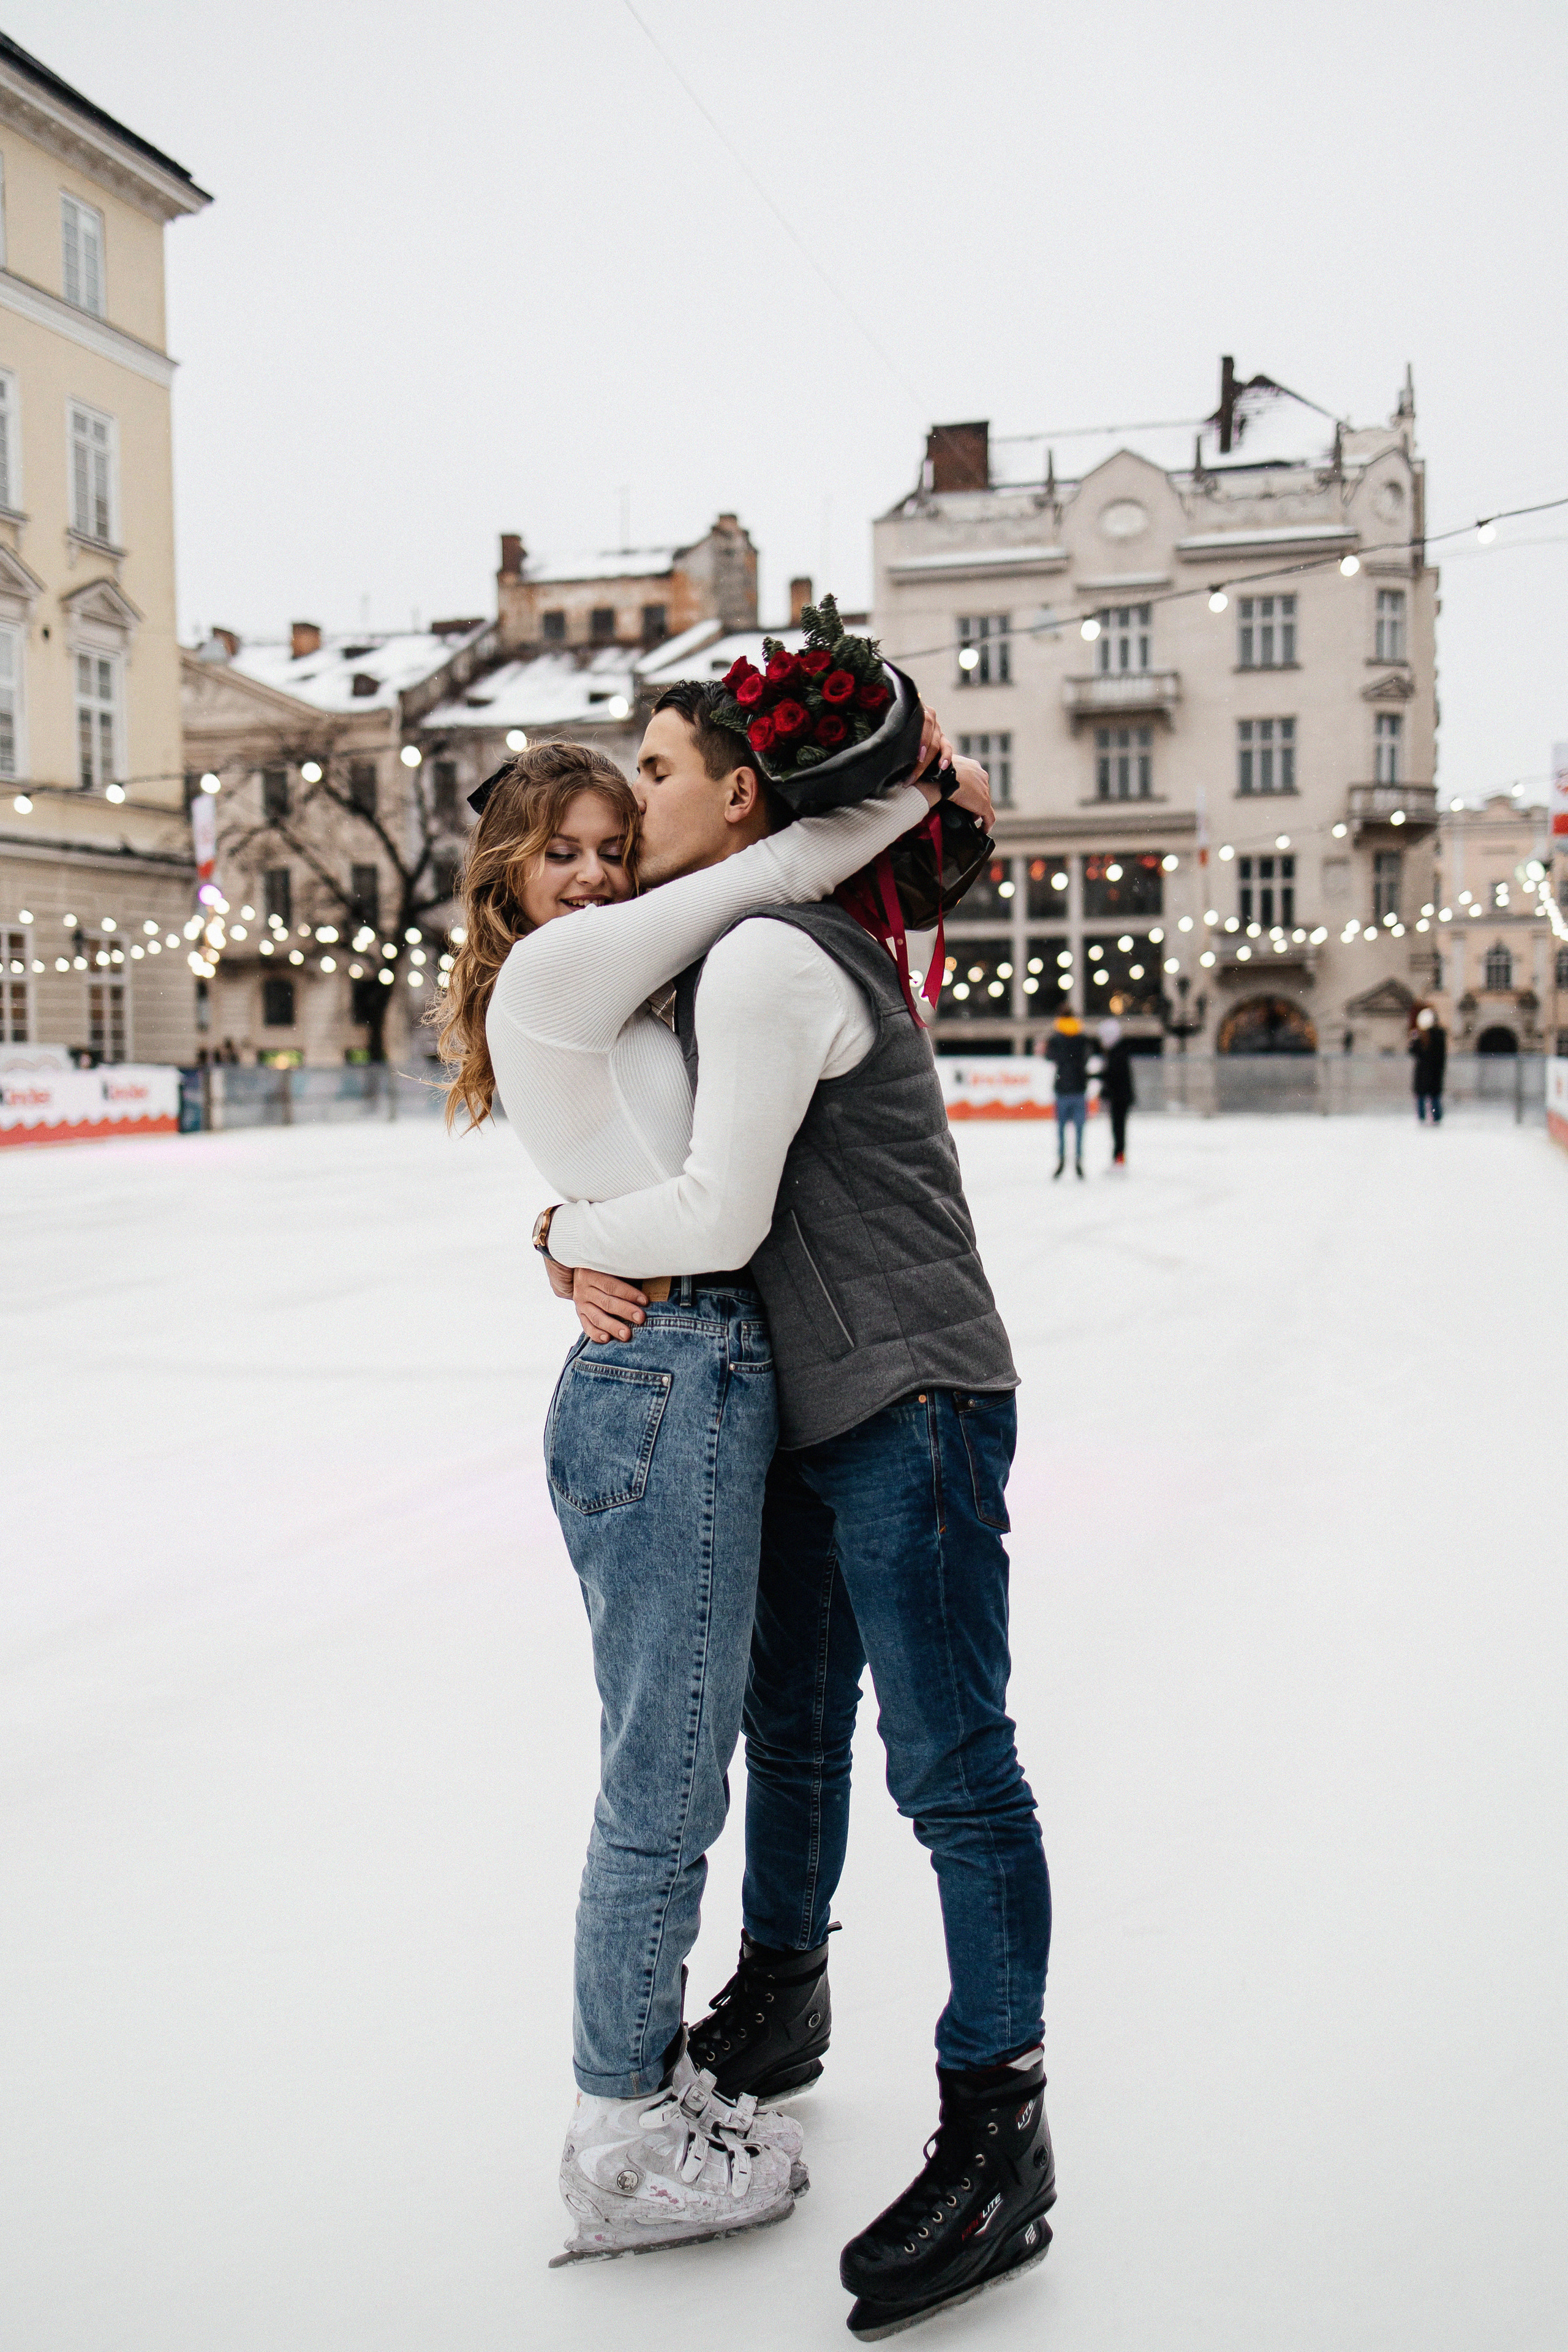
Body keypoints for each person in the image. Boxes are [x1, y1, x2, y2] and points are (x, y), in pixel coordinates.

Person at [548, 677, 1054, 2340]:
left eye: (662, 774)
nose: (637, 810)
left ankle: (1002, 2138)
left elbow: (718, 1203)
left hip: (906, 1390)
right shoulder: (741, 942)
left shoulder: (767, 956)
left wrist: (569, 1234)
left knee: (956, 1770)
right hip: (831, 1404)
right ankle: (785, 1997)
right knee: (796, 1725)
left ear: (745, 803)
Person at [437, 728, 960, 2263]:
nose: (599, 872)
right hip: (665, 1372)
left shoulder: (624, 979)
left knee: (683, 1759)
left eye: (613, 842)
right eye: (565, 853)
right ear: (509, 880)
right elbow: (789, 860)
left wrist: (563, 1224)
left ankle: (647, 2084)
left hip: (695, 1367)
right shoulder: (555, 976)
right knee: (661, 1775)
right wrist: (921, 777)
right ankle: (617, 2125)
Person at [1045, 1011, 1090, 1178]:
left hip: (1063, 1089)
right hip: (1079, 1088)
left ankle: (1062, 1159)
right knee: (1079, 1129)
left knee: (1061, 1129)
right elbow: (1087, 1057)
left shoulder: (1056, 1038)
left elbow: (1049, 1056)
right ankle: (1078, 1159)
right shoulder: (1082, 1037)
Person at [1097, 1017, 1136, 1167]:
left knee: (1118, 1128)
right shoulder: (1118, 1051)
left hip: (1119, 1097)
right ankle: (1118, 1155)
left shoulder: (1117, 1052)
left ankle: (1119, 1156)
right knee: (1118, 1127)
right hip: (1119, 1096)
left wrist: (1097, 1076)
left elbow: (1113, 1074)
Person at [1410, 1005, 1447, 1122]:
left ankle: (1423, 1118)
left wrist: (1414, 1040)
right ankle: (1436, 1117)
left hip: (1424, 1073)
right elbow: (1441, 1057)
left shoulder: (1421, 1038)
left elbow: (1414, 1052)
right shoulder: (1439, 1036)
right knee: (1434, 1097)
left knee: (1422, 1097)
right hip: (1434, 1072)